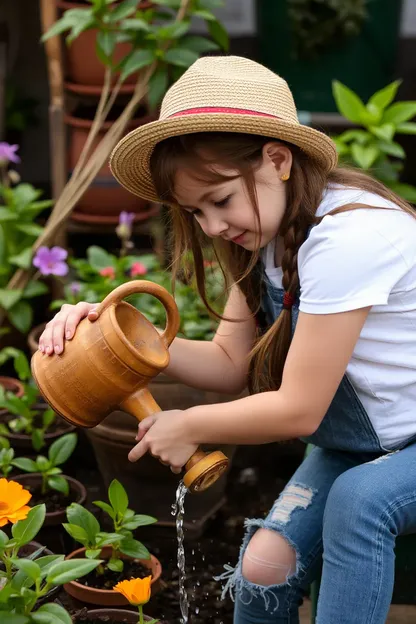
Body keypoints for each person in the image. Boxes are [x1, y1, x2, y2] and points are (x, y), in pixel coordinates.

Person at [39, 56, 416, 623]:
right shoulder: (267, 234)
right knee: (264, 568)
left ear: (278, 159)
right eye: (195, 211)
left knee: (360, 505)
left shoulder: (350, 238)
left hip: (402, 444)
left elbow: (299, 410)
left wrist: (189, 425)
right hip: (364, 443)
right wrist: (112, 335)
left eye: (220, 201)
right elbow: (225, 362)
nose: (212, 227)